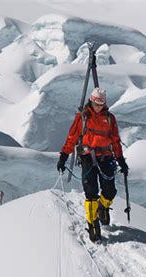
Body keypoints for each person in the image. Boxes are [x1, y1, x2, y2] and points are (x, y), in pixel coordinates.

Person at [57, 87, 129, 242]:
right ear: (91, 100)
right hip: (87, 158)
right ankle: (93, 224)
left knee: (110, 191)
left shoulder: (110, 118)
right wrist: (63, 156)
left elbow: (115, 140)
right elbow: (71, 138)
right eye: (96, 103)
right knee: (91, 193)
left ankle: (103, 207)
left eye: (101, 104)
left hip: (106, 157)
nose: (98, 107)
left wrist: (121, 160)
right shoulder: (82, 118)